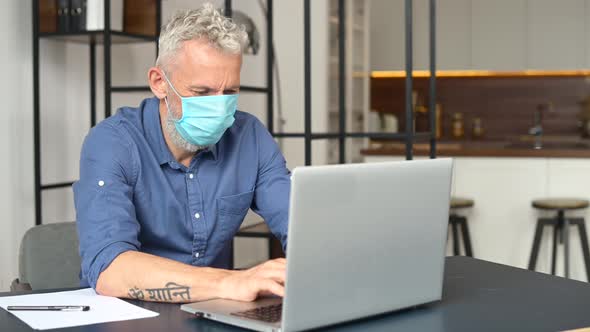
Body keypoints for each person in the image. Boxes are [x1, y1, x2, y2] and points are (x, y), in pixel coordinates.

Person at [73, 3, 290, 303]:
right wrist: (230, 282)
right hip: (127, 317)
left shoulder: (249, 137)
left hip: (211, 313)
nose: (218, 106)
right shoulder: (112, 143)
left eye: (229, 93)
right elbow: (110, 270)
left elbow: (298, 225)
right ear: (159, 83)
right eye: (202, 93)